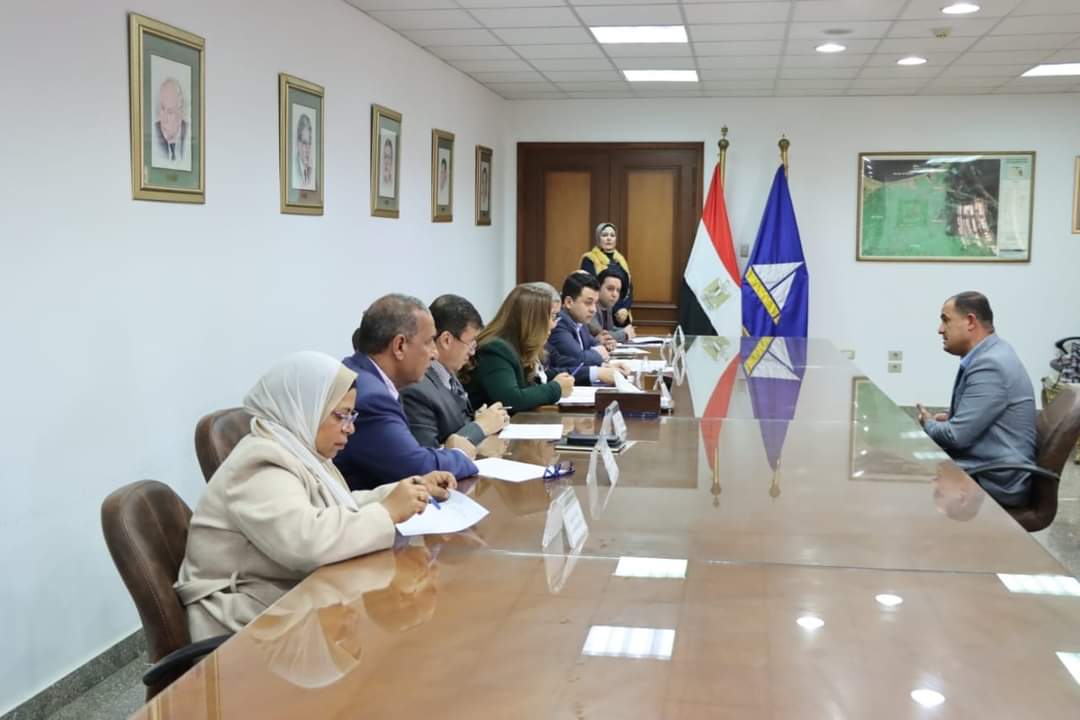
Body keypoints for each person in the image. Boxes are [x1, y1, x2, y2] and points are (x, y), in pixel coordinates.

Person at [175, 351, 449, 642]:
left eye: (352, 415)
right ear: (306, 407)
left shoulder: (298, 448)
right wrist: (387, 512)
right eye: (341, 415)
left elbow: (335, 506)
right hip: (241, 625)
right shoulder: (261, 462)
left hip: (286, 602)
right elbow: (306, 541)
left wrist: (403, 492)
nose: (350, 427)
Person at [336, 294, 480, 491]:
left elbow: (406, 453)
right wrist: (460, 455)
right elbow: (415, 466)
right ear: (399, 346)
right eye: (429, 342)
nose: (434, 353)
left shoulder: (359, 372)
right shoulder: (372, 398)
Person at [916, 291, 1036, 507]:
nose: (940, 329)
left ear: (970, 322)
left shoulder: (991, 364)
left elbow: (954, 437)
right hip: (988, 465)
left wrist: (928, 422)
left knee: (906, 477)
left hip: (996, 480)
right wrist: (955, 417)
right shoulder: (994, 351)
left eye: (945, 320)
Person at [400, 294, 509, 448]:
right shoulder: (416, 388)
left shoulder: (448, 373)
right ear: (446, 340)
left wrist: (482, 419)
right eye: (470, 343)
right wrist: (481, 426)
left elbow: (455, 425)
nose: (472, 352)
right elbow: (429, 452)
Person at [463, 282, 575, 413]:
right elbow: (511, 400)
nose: (554, 324)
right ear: (532, 319)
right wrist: (556, 388)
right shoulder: (494, 349)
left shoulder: (521, 345)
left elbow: (528, 381)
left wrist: (559, 379)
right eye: (551, 316)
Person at [546, 272, 624, 385]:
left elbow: (596, 345)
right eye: (588, 303)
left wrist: (606, 366)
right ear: (568, 302)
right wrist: (598, 357)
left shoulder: (580, 322)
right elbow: (579, 358)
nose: (593, 310)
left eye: (595, 303)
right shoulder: (559, 323)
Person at [580, 222, 633, 325]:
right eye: (604, 235)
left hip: (622, 314)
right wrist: (615, 308)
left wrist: (625, 308)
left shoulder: (621, 260)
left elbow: (629, 288)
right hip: (600, 312)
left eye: (612, 235)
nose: (609, 238)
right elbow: (591, 287)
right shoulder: (589, 258)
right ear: (598, 238)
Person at [589, 268, 635, 348]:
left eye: (618, 290)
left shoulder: (608, 306)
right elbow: (601, 335)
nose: (614, 294)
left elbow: (610, 329)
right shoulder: (590, 306)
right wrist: (624, 333)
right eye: (610, 289)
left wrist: (627, 330)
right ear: (598, 288)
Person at [153, 77, 188, 168]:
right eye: (162, 108)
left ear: (180, 113)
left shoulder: (189, 133)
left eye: (170, 112)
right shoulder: (154, 132)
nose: (164, 119)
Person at [293, 113, 315, 191]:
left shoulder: (311, 170)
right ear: (298, 143)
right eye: (304, 143)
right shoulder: (294, 168)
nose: (308, 149)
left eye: (309, 143)